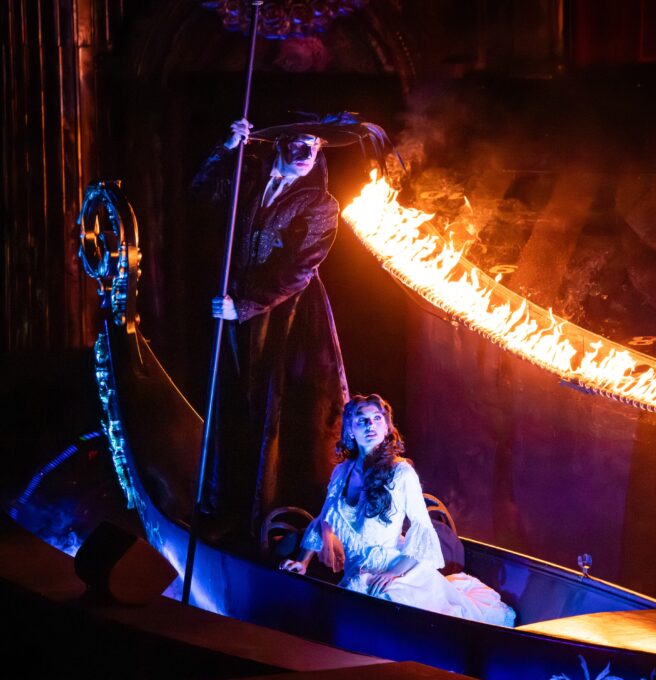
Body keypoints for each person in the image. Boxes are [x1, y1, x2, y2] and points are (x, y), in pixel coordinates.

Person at [192, 118, 349, 538]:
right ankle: (232, 502)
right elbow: (202, 192)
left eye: (314, 148)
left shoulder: (321, 203)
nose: (306, 155)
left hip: (287, 316)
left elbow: (300, 268)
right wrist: (227, 147)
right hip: (237, 309)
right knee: (236, 401)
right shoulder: (248, 180)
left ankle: (278, 510)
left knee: (276, 406)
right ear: (280, 143)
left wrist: (243, 306)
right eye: (299, 144)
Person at [281, 394, 516, 627]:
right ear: (350, 429)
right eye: (362, 419)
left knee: (382, 611)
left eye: (377, 418)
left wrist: (394, 573)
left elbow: (422, 528)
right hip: (358, 575)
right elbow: (324, 520)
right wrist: (302, 563)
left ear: (386, 428)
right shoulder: (341, 472)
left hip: (397, 572)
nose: (370, 425)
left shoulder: (401, 474)